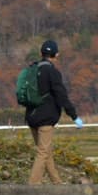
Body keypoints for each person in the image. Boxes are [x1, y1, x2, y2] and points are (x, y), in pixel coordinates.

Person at [24, 38, 82, 185]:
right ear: (56, 55)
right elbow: (61, 96)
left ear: (41, 53)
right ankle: (32, 187)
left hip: (31, 117)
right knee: (43, 153)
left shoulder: (32, 69)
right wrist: (74, 116)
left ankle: (57, 184)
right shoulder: (52, 72)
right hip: (45, 119)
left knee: (46, 151)